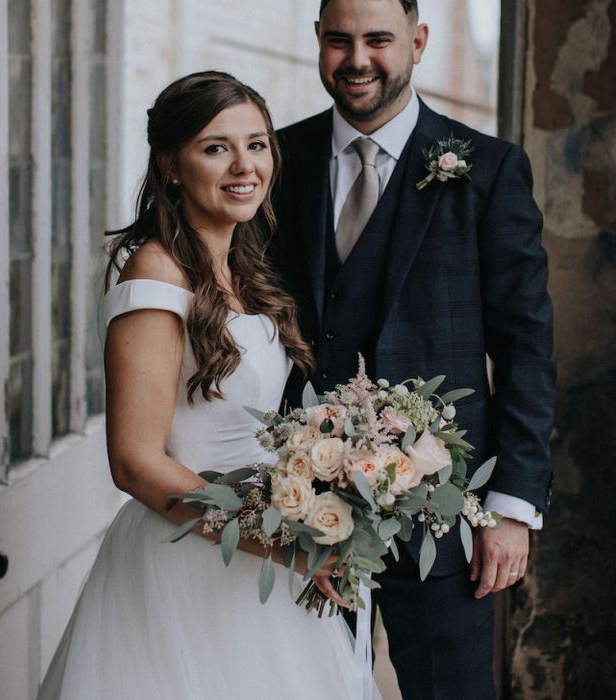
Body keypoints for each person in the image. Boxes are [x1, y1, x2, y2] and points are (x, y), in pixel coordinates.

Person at [38, 71, 380, 700]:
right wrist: (284, 543)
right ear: (171, 165)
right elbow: (136, 463)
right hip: (191, 560)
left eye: (257, 143)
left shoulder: (242, 267)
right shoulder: (155, 273)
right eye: (215, 147)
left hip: (259, 555)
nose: (243, 165)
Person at [272, 1, 556, 698]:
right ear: (318, 42)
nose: (358, 59)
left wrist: (512, 506)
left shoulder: (488, 170)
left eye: (378, 40)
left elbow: (525, 345)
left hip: (445, 509)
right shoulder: (278, 160)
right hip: (301, 505)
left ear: (419, 42)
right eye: (339, 41)